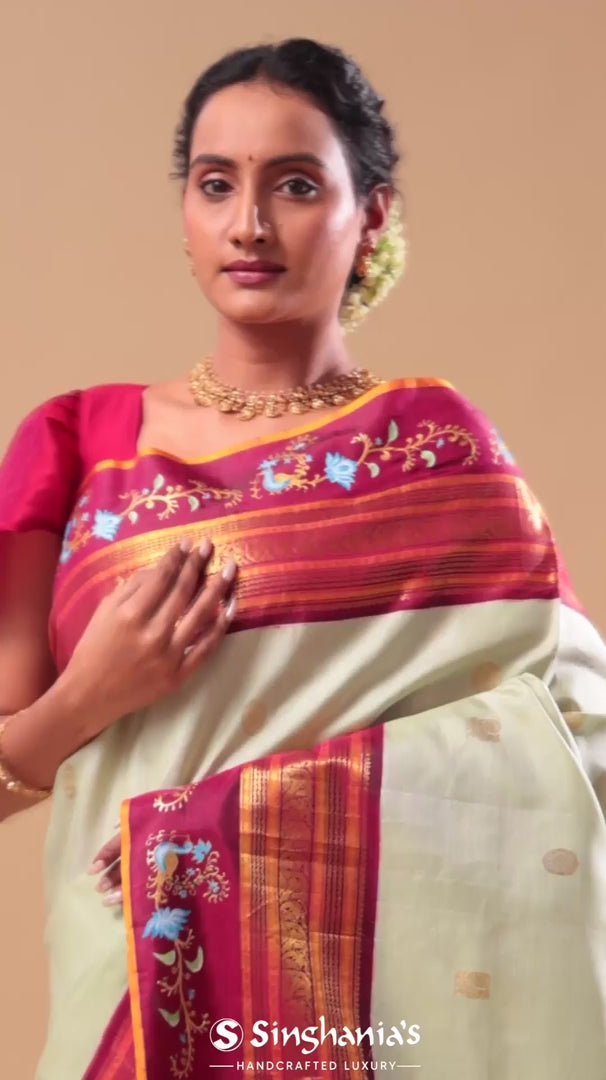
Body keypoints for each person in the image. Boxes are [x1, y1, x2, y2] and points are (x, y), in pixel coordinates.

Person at [0, 37, 605, 1080]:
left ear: (370, 215)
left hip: (375, 1013)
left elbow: (579, 740)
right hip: (127, 993)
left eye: (293, 185)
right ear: (185, 213)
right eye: (215, 184)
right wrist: (91, 695)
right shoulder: (75, 445)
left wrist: (233, 828)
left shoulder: (441, 452)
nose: (248, 223)